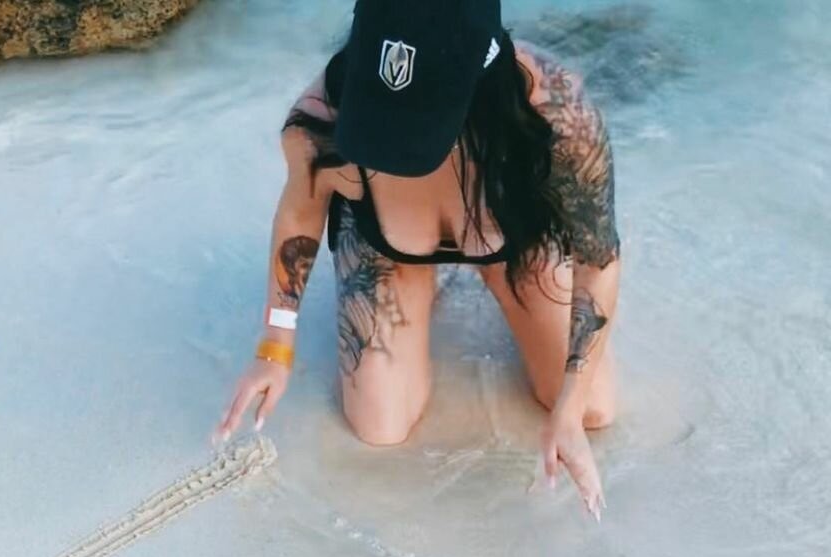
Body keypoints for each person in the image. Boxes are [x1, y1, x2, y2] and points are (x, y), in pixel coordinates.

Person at [213, 0, 621, 520]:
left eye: (414, 122)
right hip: (388, 250)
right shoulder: (321, 118)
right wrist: (275, 345)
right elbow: (300, 212)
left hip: (513, 238)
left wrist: (568, 409)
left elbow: (599, 258)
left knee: (593, 409)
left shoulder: (558, 115)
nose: (391, 142)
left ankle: (494, 276)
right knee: (380, 429)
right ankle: (418, 284)